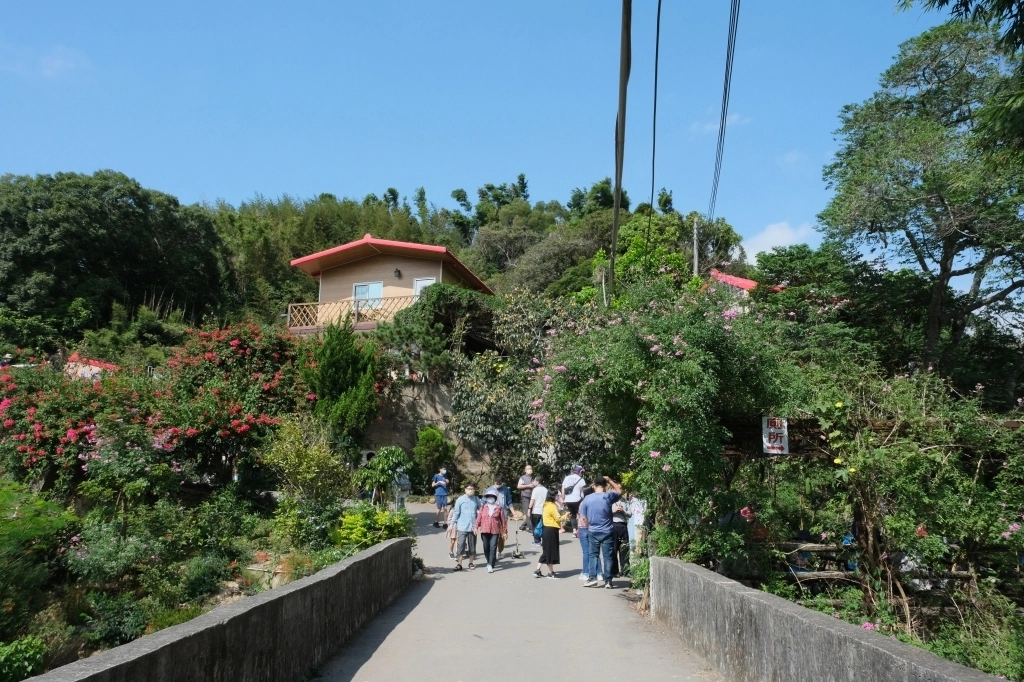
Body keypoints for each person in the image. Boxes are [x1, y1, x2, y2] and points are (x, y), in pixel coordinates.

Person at [579, 475, 622, 589]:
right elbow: (619, 490)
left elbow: (583, 517)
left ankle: (593, 578)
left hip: (593, 530)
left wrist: (588, 526)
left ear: (594, 484)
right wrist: (610, 480)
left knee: (593, 555)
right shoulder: (608, 497)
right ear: (605, 485)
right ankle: (608, 581)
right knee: (608, 556)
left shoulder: (587, 499)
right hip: (607, 530)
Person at [474, 487, 508, 573]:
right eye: (488, 496)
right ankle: (488, 560)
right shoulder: (483, 507)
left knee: (493, 547)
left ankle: (490, 564)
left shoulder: (499, 508)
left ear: (495, 498)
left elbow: (503, 521)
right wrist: (475, 527)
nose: (490, 498)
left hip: (495, 531)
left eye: (492, 496)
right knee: (486, 547)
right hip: (484, 530)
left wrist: (504, 532)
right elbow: (479, 518)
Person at [451, 484, 481, 571]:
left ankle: (471, 562)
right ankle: (459, 564)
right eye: (469, 489)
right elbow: (456, 513)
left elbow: (481, 511)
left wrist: (480, 523)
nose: (470, 490)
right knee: (461, 545)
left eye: (472, 489)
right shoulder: (460, 500)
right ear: (465, 489)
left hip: (473, 527)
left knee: (472, 545)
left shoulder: (476, 499)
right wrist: (451, 525)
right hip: (462, 526)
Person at [533, 488, 562, 579]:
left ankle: (537, 570)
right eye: (557, 495)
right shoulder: (552, 506)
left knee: (546, 551)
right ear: (553, 496)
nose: (558, 497)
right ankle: (551, 573)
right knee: (550, 552)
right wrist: (565, 516)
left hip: (546, 529)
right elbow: (558, 518)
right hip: (551, 529)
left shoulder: (546, 505)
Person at [577, 481, 595, 581]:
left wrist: (586, 525)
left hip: (584, 528)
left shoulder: (583, 503)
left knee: (586, 551)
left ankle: (585, 572)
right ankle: (598, 572)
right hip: (593, 528)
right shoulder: (593, 501)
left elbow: (583, 517)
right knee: (594, 551)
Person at [561, 466, 586, 536]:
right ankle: (579, 530)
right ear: (580, 471)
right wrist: (583, 499)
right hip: (577, 499)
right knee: (580, 514)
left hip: (568, 499)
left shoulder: (567, 477)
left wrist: (563, 498)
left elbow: (563, 488)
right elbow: (583, 491)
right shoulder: (581, 479)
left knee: (572, 515)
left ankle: (574, 531)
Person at [610, 496, 630, 577]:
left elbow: (630, 514)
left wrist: (623, 511)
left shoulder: (625, 501)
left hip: (623, 526)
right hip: (613, 525)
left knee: (624, 549)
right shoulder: (610, 501)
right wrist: (614, 511)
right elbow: (604, 513)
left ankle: (626, 570)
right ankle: (615, 571)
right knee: (614, 549)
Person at [493, 475, 513, 556]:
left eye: (500, 483)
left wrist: (513, 513)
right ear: (494, 482)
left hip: (503, 515)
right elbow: (484, 503)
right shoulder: (489, 490)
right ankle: (493, 551)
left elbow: (509, 502)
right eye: (497, 483)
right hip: (492, 516)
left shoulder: (506, 490)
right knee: (493, 534)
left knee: (502, 534)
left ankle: (499, 551)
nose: (498, 484)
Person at [528, 474, 548, 546]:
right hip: (544, 510)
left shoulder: (535, 490)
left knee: (535, 526)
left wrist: (529, 509)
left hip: (536, 510)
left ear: (537, 481)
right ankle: (544, 540)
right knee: (542, 526)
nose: (533, 482)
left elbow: (532, 500)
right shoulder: (545, 489)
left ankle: (537, 541)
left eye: (534, 480)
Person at [517, 464, 538, 531]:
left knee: (531, 513)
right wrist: (528, 486)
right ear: (525, 470)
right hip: (525, 497)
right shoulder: (522, 478)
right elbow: (519, 486)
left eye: (530, 468)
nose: (530, 470)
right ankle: (531, 528)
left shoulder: (533, 478)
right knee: (528, 512)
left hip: (532, 497)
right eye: (528, 469)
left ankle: (522, 527)